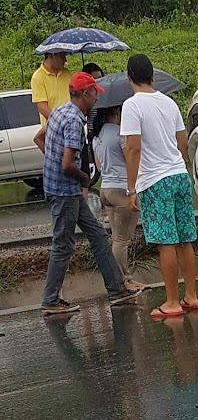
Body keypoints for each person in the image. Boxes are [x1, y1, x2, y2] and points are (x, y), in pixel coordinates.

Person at [41, 72, 141, 314]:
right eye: (94, 93)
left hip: (62, 189)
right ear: (84, 94)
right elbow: (67, 164)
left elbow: (40, 138)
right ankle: (51, 300)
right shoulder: (75, 121)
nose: (97, 97)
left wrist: (53, 163)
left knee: (97, 234)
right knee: (63, 244)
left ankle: (116, 289)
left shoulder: (58, 111)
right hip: (65, 191)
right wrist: (85, 178)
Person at [121, 54, 198, 318]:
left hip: (155, 180)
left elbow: (133, 148)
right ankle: (190, 295)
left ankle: (171, 302)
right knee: (184, 238)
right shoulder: (169, 103)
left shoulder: (132, 106)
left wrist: (131, 188)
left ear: (128, 77)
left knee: (165, 242)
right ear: (153, 77)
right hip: (179, 175)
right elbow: (182, 143)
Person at [92, 104, 146, 291]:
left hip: (106, 189)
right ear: (117, 113)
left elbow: (99, 167)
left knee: (117, 238)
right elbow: (131, 158)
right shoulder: (120, 135)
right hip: (122, 189)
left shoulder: (97, 137)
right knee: (123, 239)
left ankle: (125, 278)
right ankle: (122, 281)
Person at [31, 52, 72, 153]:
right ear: (52, 55)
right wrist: (61, 122)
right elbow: (42, 108)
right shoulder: (38, 77)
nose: (65, 60)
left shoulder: (66, 73)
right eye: (62, 57)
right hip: (54, 131)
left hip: (71, 129)